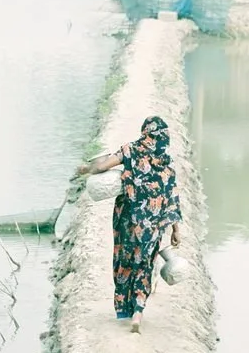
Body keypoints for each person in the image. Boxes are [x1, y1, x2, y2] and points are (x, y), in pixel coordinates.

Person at [75, 114, 182, 331]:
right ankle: (138, 313)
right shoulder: (166, 162)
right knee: (145, 264)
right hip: (152, 225)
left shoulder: (130, 150)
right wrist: (175, 230)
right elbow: (172, 198)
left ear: (145, 132)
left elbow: (102, 167)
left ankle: (124, 307)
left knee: (125, 261)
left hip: (127, 220)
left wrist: (86, 169)